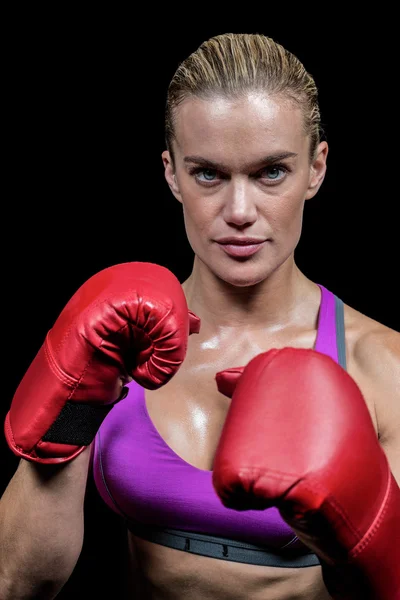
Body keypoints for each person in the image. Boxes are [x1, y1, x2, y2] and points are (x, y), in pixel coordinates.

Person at [1, 32, 399, 600]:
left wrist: (356, 535)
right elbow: (20, 582)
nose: (239, 212)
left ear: (316, 168)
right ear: (171, 174)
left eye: (271, 173)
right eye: (208, 174)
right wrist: (74, 408)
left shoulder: (382, 367)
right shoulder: (116, 344)